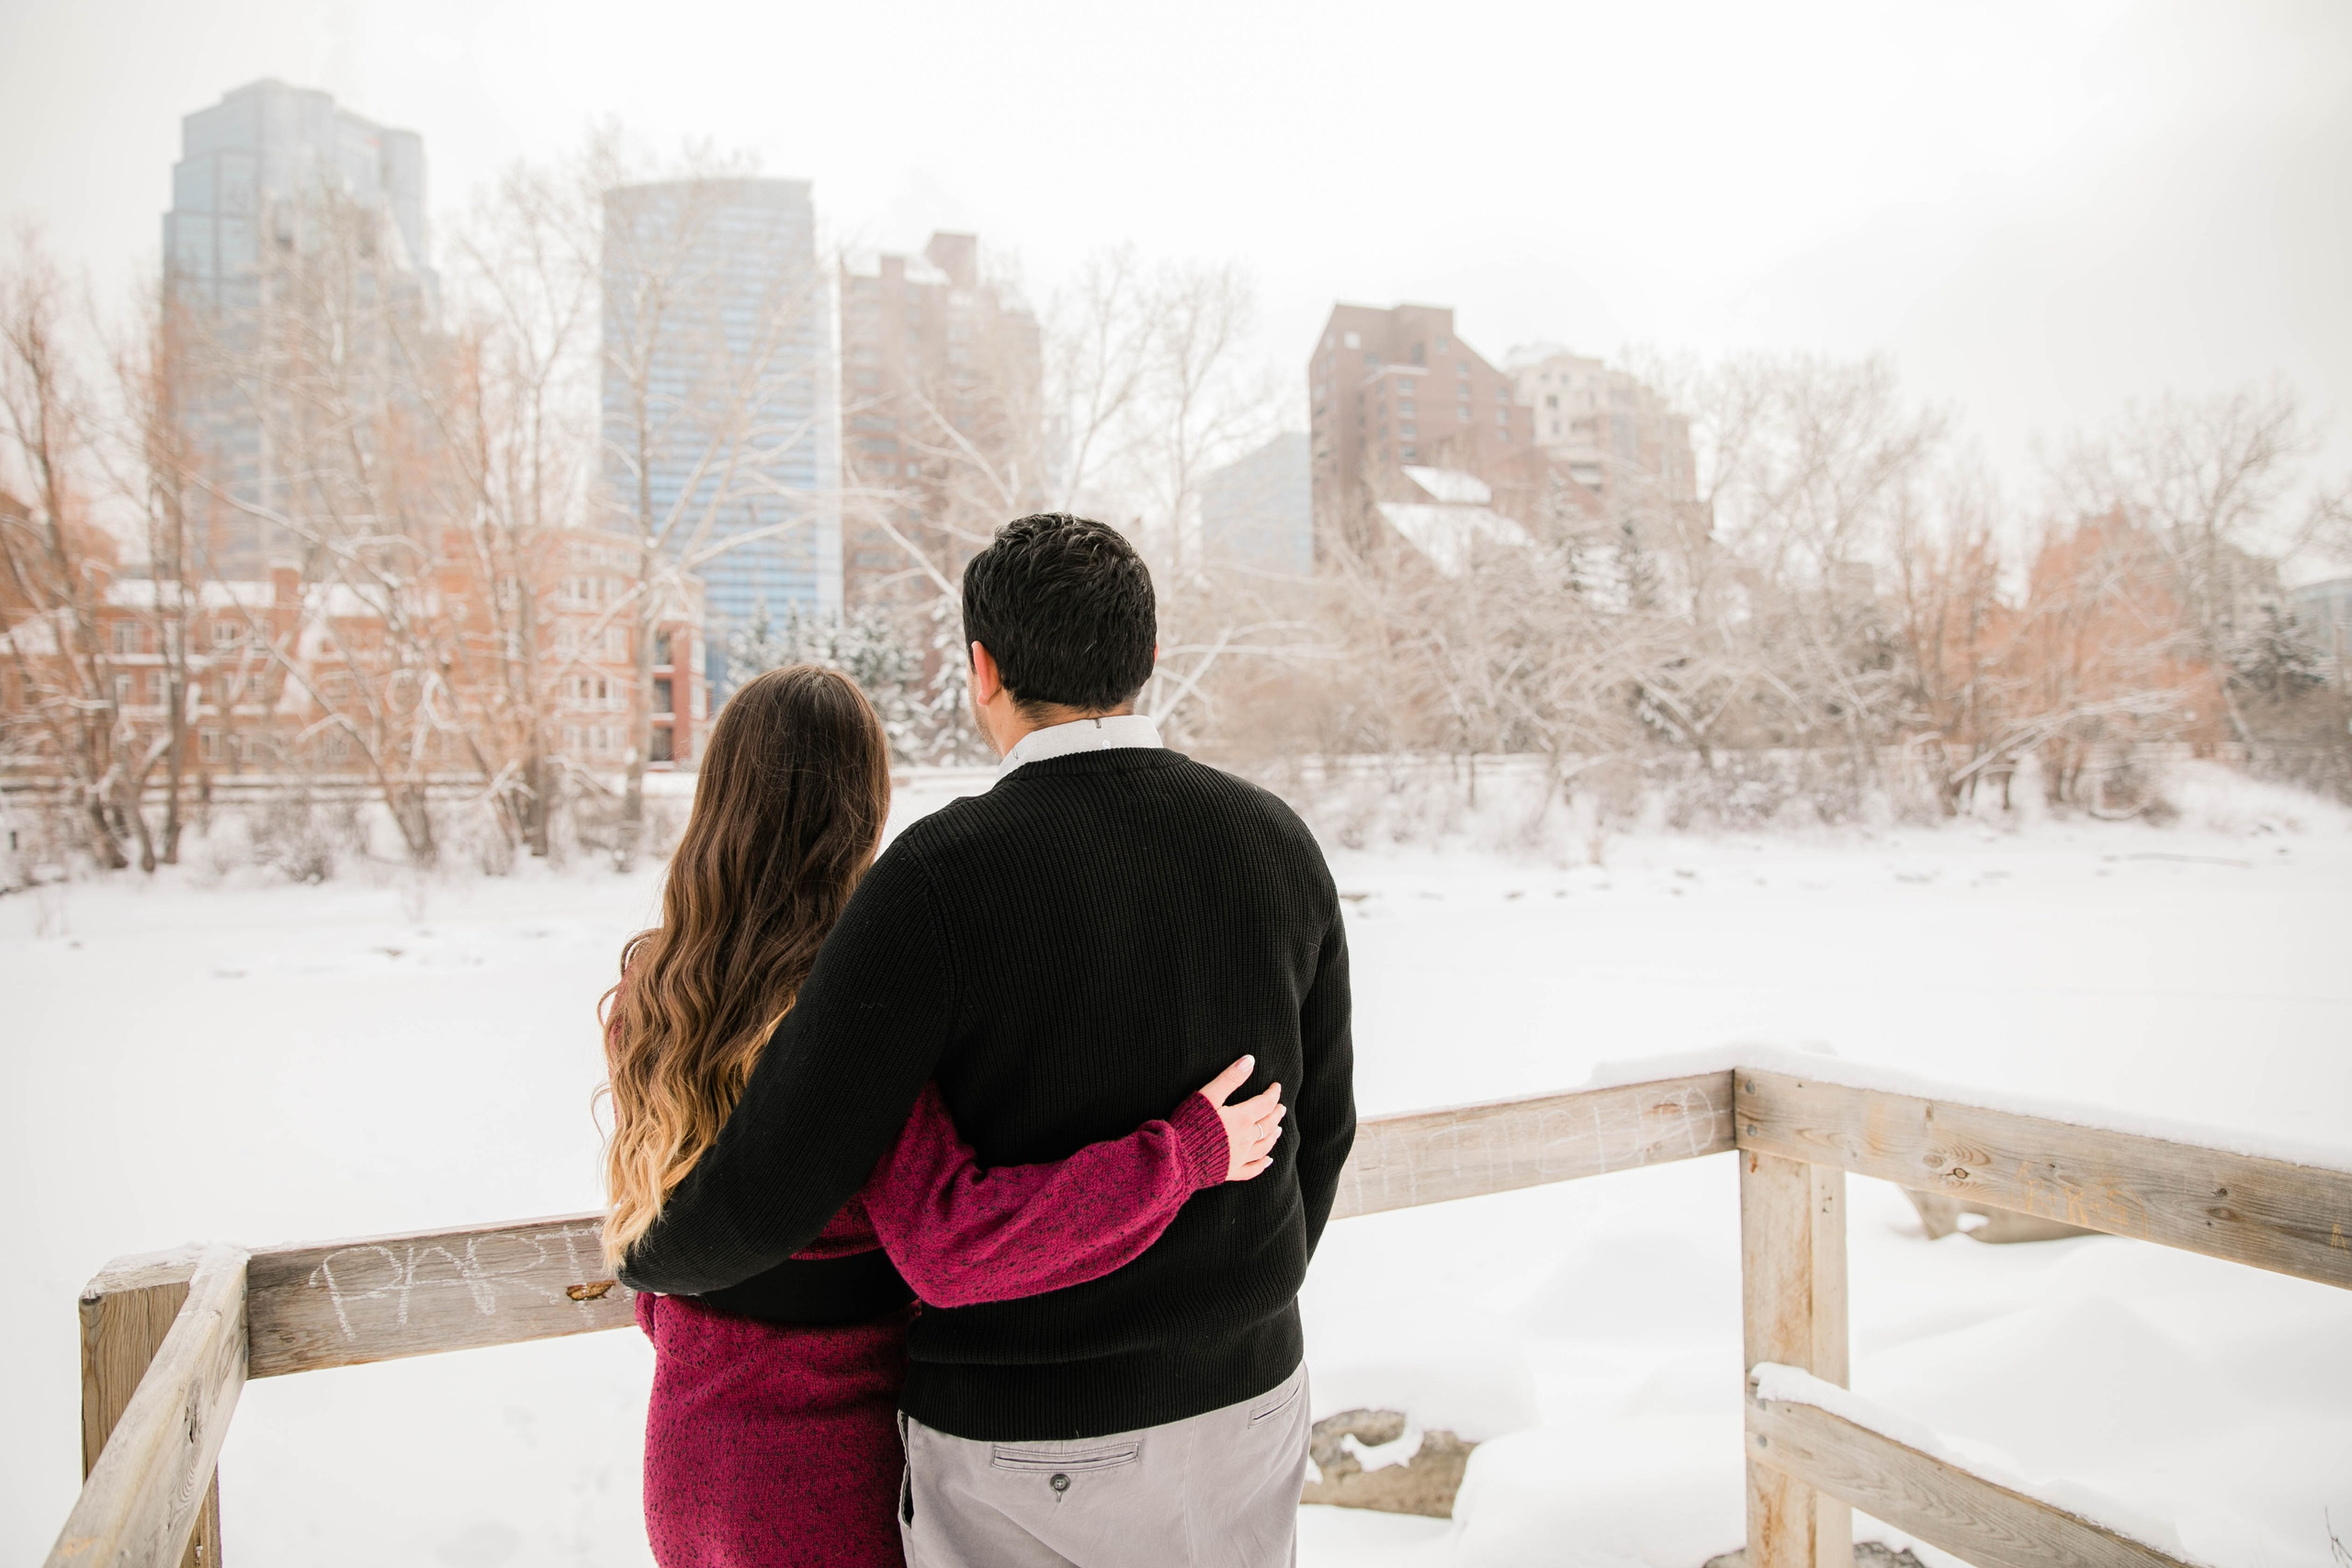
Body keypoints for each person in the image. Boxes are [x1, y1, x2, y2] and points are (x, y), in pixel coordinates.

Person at [624, 514, 1357, 1568]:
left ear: (982, 669)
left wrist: (654, 1256)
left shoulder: (935, 880)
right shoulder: (1277, 841)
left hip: (1028, 1436)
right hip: (1249, 1400)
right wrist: (1231, 1302)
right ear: (1148, 655)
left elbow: (788, 1169)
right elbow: (1320, 1130)